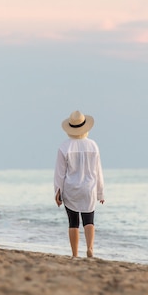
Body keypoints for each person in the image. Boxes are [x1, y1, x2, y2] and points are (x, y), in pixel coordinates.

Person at [54, 110, 105, 257]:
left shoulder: (64, 147)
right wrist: (100, 192)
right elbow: (98, 170)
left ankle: (75, 254)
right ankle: (90, 248)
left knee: (73, 222)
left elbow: (60, 173)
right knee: (89, 220)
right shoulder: (93, 146)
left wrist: (57, 192)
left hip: (71, 189)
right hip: (89, 188)